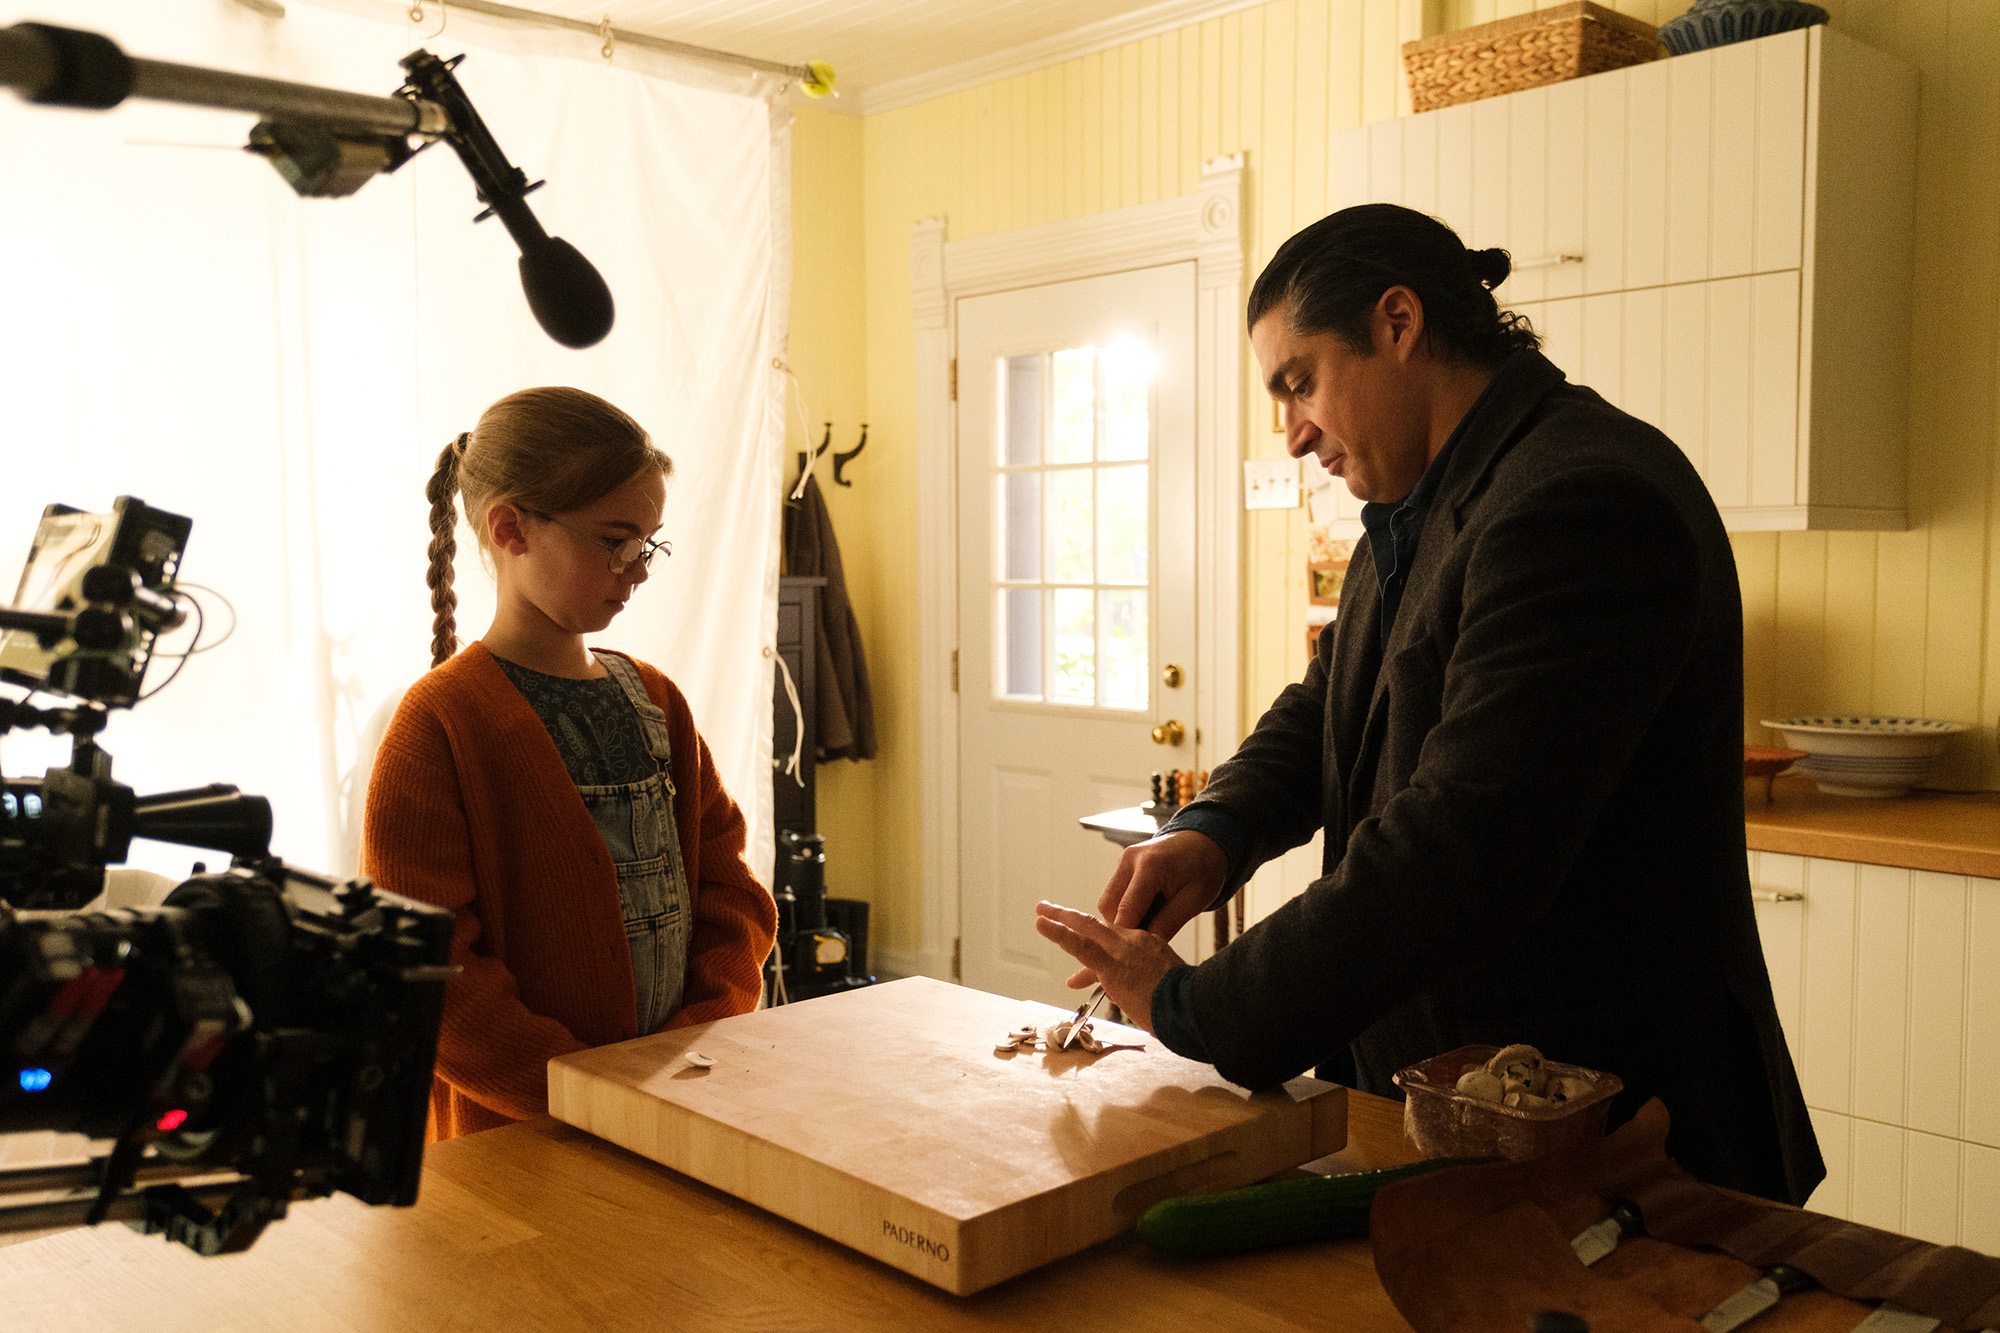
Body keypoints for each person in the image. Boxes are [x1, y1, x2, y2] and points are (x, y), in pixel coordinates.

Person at [1035, 204, 1823, 1204]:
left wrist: (1198, 1005)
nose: (1291, 434)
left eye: (1298, 383)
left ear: (1397, 325)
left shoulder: (1576, 498)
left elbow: (1463, 845)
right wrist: (1217, 829)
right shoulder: (1411, 511)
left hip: (1613, 1139)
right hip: (1453, 1127)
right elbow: (1327, 706)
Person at [364, 386, 776, 1142]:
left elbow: (732, 893)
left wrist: (694, 1042)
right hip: (518, 1142)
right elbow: (426, 969)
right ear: (512, 529)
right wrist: (585, 1093)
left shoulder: (657, 701)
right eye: (616, 541)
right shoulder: (439, 725)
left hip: (674, 1107)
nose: (639, 568)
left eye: (650, 542)